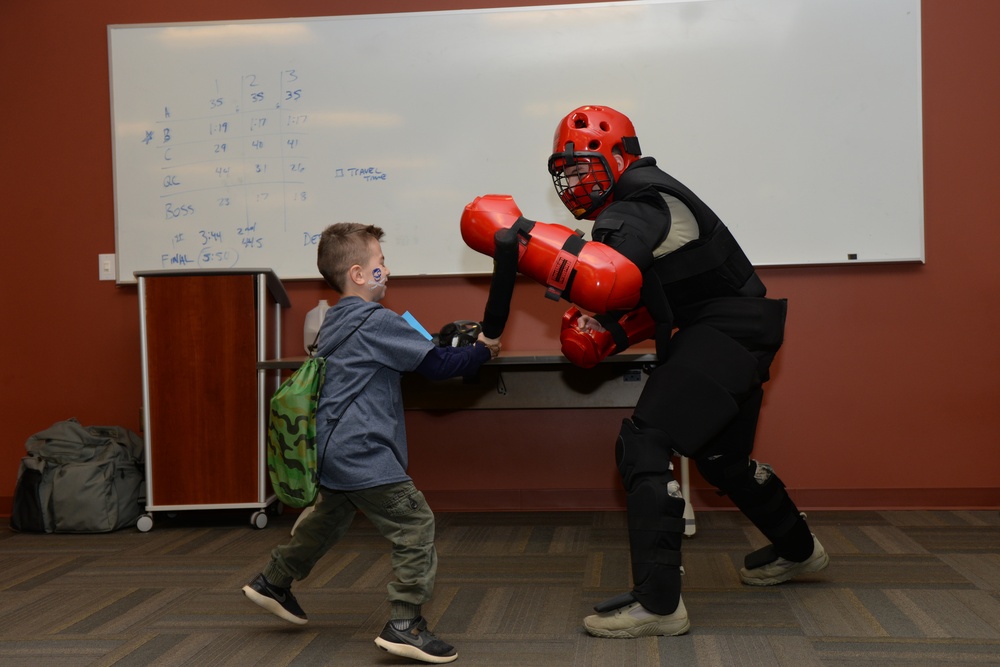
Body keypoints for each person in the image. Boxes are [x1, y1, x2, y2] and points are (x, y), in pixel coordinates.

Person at [463, 105, 828, 639]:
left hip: (725, 332)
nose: (573, 182)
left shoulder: (642, 196)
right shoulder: (642, 201)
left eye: (583, 166)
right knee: (723, 460)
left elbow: (603, 278)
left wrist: (518, 234)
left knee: (644, 442)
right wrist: (609, 331)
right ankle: (801, 550)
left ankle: (660, 606)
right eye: (566, 172)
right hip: (735, 328)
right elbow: (659, 293)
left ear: (618, 155)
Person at [242, 222, 500, 664]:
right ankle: (405, 624)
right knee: (414, 524)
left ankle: (274, 581)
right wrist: (483, 351)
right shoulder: (375, 320)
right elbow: (437, 366)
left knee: (329, 517)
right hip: (363, 451)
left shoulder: (336, 319)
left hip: (330, 449)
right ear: (360, 274)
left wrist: (444, 344)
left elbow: (413, 351)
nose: (387, 269)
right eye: (381, 262)